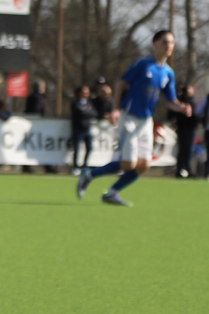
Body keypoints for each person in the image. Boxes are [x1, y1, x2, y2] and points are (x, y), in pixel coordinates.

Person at [76, 30, 192, 206]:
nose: (169, 46)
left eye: (171, 43)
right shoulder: (143, 64)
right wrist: (115, 109)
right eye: (165, 42)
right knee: (128, 164)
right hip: (129, 117)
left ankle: (111, 193)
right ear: (155, 44)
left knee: (143, 165)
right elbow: (121, 83)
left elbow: (171, 101)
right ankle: (89, 174)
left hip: (146, 121)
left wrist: (181, 107)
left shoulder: (168, 73)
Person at [171, 82, 199, 178]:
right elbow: (172, 115)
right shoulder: (181, 103)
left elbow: (195, 116)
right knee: (183, 150)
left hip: (190, 129)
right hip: (183, 129)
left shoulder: (192, 102)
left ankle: (187, 169)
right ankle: (180, 169)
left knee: (188, 150)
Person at [68, 85, 96, 170]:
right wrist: (87, 112)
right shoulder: (75, 103)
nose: (86, 94)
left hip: (87, 129)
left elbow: (94, 113)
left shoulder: (89, 103)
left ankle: (85, 166)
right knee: (77, 149)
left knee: (89, 148)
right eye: (84, 92)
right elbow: (80, 112)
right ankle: (75, 167)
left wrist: (86, 112)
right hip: (78, 129)